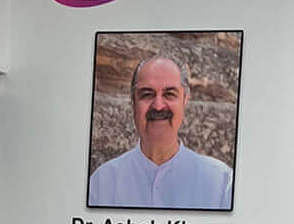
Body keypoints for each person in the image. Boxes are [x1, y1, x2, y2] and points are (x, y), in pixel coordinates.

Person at [88, 54, 233, 210]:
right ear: (133, 102)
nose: (158, 106)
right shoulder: (102, 183)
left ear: (185, 100)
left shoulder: (221, 183)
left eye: (169, 94)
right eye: (147, 94)